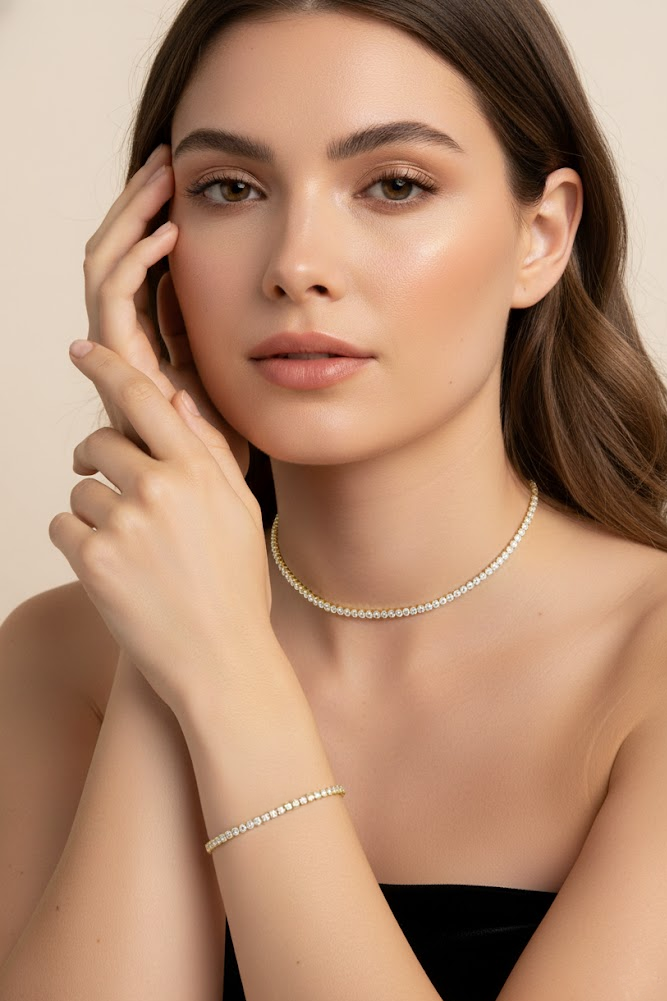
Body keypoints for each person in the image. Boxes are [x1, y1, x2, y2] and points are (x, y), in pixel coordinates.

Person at [1, 0, 666, 998]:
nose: (296, 264)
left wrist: (225, 670)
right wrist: (166, 627)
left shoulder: (649, 660)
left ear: (539, 235)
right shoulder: (56, 657)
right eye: (230, 187)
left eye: (394, 184)